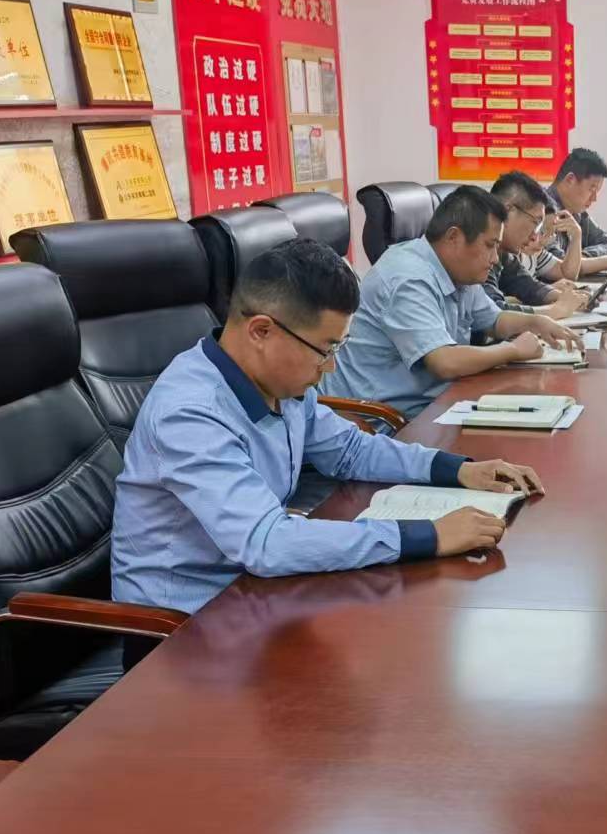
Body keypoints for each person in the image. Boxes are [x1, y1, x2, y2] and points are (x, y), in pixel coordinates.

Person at [111, 236, 543, 619]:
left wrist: (458, 469)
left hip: (256, 594)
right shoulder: (190, 413)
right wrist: (430, 535)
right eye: (325, 350)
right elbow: (266, 543)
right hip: (181, 630)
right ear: (261, 331)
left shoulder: (278, 381)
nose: (330, 367)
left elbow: (350, 450)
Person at [324, 186, 582, 418]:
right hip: (381, 421)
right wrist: (513, 350)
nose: (495, 258)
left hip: (435, 404)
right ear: (454, 237)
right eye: (490, 245)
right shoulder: (407, 278)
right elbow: (444, 362)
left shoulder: (459, 272)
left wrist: (536, 322)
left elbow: (493, 320)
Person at [484, 171, 590, 321]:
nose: (535, 236)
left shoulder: (504, 253)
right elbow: (491, 314)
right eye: (535, 222)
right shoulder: (477, 249)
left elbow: (528, 287)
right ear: (507, 211)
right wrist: (554, 311)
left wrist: (569, 298)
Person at [538, 147, 607, 279]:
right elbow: (561, 266)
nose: (594, 198)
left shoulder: (577, 213)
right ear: (570, 180)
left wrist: (582, 257)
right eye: (592, 189)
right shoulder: (544, 211)